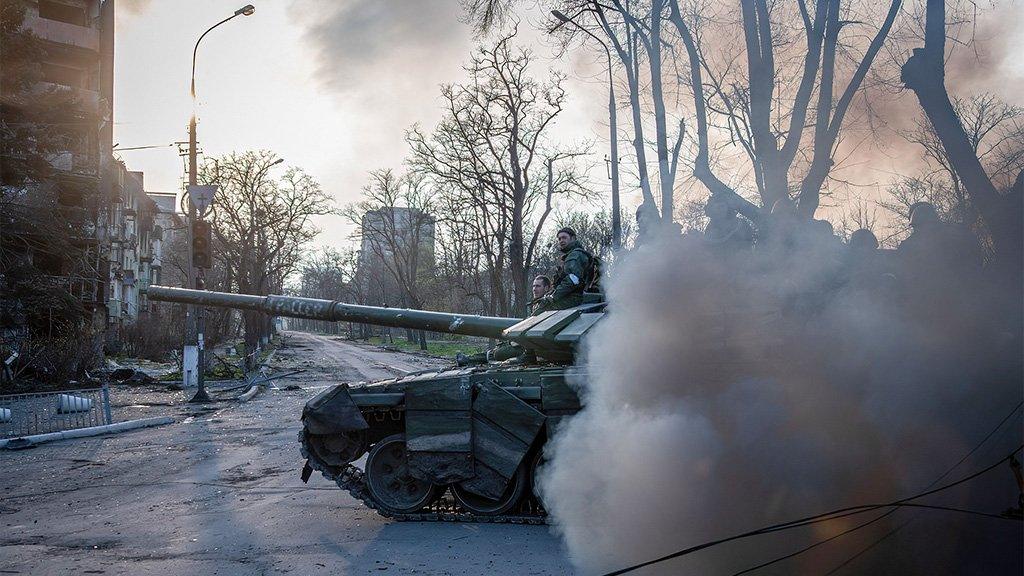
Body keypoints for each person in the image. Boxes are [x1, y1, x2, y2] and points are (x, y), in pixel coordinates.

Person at [541, 227, 593, 311]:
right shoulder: (572, 255)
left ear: (573, 239)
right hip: (571, 297)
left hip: (574, 298)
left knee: (544, 309)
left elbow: (573, 280)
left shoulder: (575, 255)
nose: (561, 241)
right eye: (559, 239)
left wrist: (553, 297)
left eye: (564, 238)